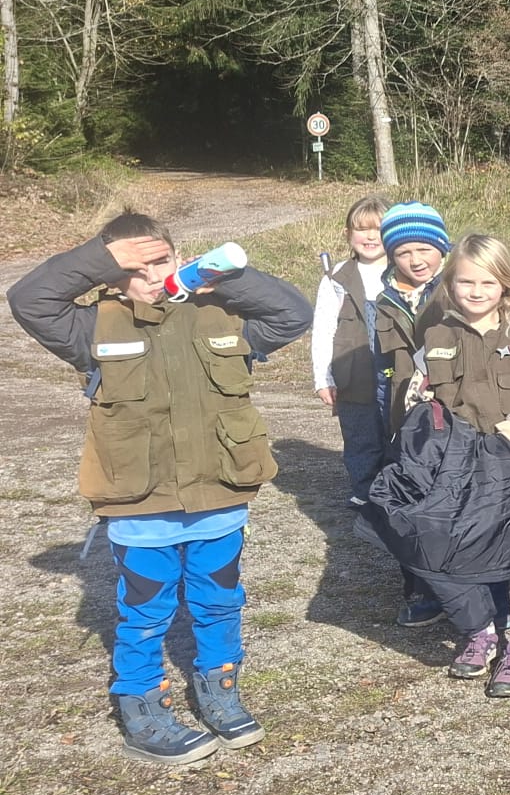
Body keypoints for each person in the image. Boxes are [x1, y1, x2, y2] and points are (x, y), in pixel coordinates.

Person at [8, 213, 310, 765]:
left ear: (180, 259)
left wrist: (222, 278)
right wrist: (104, 257)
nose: (150, 275)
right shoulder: (92, 326)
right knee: (145, 612)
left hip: (219, 495)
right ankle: (140, 703)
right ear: (113, 274)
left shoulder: (219, 314)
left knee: (219, 602)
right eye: (134, 266)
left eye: (160, 261)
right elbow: (30, 300)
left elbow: (294, 313)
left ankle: (219, 690)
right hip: (139, 502)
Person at [408, 235, 510, 699]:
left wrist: (508, 434)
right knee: (463, 555)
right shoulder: (435, 337)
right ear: (450, 285)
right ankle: (481, 632)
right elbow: (419, 396)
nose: (475, 291)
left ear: (505, 285)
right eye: (465, 282)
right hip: (457, 469)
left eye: (487, 283)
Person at [372, 202, 453, 627]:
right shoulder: (383, 300)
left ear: (442, 249)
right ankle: (422, 589)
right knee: (409, 504)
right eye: (403, 252)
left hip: (451, 419)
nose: (415, 260)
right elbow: (381, 371)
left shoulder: (457, 289)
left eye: (424, 249)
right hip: (404, 423)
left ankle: (463, 589)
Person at [311, 193, 390, 508]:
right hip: (352, 372)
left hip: (395, 371)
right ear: (348, 234)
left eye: (379, 229)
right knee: (360, 435)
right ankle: (365, 494)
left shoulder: (405, 272)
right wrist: (322, 377)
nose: (370, 236)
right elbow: (324, 328)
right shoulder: (336, 277)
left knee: (397, 433)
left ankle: (395, 493)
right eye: (362, 229)